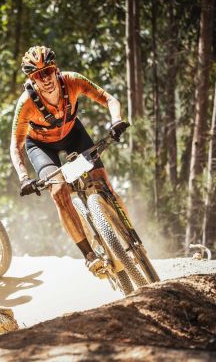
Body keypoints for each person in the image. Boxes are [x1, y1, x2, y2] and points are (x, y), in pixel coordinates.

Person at [9, 46, 130, 278]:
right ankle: (89, 256)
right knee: (58, 191)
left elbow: (109, 99)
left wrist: (117, 121)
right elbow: (15, 146)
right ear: (31, 79)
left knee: (103, 182)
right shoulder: (26, 104)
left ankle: (130, 235)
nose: (45, 79)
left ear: (56, 69)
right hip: (41, 146)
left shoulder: (72, 80)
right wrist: (24, 177)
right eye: (38, 75)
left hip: (73, 133)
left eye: (48, 71)